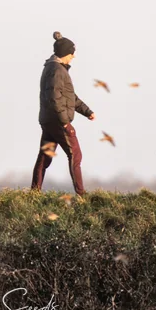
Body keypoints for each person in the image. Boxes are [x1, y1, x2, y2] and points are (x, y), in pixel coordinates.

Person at [32, 31, 95, 196]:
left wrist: (87, 111)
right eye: (72, 53)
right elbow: (55, 97)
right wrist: (65, 122)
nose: (73, 57)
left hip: (48, 120)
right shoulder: (57, 70)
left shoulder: (53, 68)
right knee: (76, 155)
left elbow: (69, 96)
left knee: (45, 156)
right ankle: (81, 195)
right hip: (57, 121)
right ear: (65, 54)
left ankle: (34, 192)